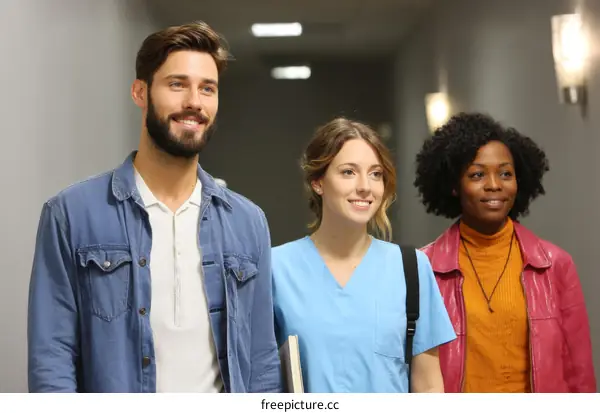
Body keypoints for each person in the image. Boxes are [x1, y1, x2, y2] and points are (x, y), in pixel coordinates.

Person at [27, 21, 281, 393]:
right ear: (140, 92)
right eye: (177, 84)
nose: (194, 101)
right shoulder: (71, 214)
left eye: (207, 89)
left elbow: (262, 361)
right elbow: (52, 358)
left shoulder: (248, 222)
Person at [414, 111, 597, 393]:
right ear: (454, 185)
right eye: (477, 174)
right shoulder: (422, 269)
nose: (494, 185)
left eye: (505, 173)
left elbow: (578, 372)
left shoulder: (555, 265)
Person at [271, 117, 456, 393]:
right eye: (348, 172)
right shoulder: (276, 269)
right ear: (318, 182)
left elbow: (428, 387)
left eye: (375, 174)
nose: (365, 187)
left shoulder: (411, 268)